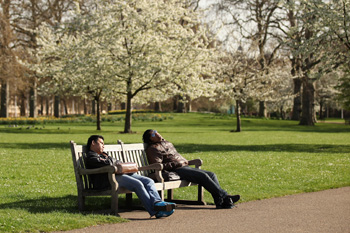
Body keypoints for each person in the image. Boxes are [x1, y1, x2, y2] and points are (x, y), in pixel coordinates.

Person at [142, 129, 240, 209]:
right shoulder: (152, 148)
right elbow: (157, 165)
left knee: (211, 174)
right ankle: (225, 197)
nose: (157, 133)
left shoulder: (166, 143)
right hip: (176, 170)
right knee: (203, 176)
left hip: (184, 167)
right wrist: (177, 163)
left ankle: (220, 201)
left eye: (156, 131)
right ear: (150, 140)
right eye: (153, 134)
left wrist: (185, 161)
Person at [85, 135, 175, 218]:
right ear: (93, 143)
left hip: (119, 175)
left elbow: (117, 162)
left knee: (148, 181)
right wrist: (116, 163)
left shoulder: (104, 155)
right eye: (101, 143)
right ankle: (155, 211)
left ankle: (157, 203)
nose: (103, 146)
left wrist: (116, 163)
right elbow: (109, 163)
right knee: (137, 184)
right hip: (107, 180)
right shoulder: (91, 156)